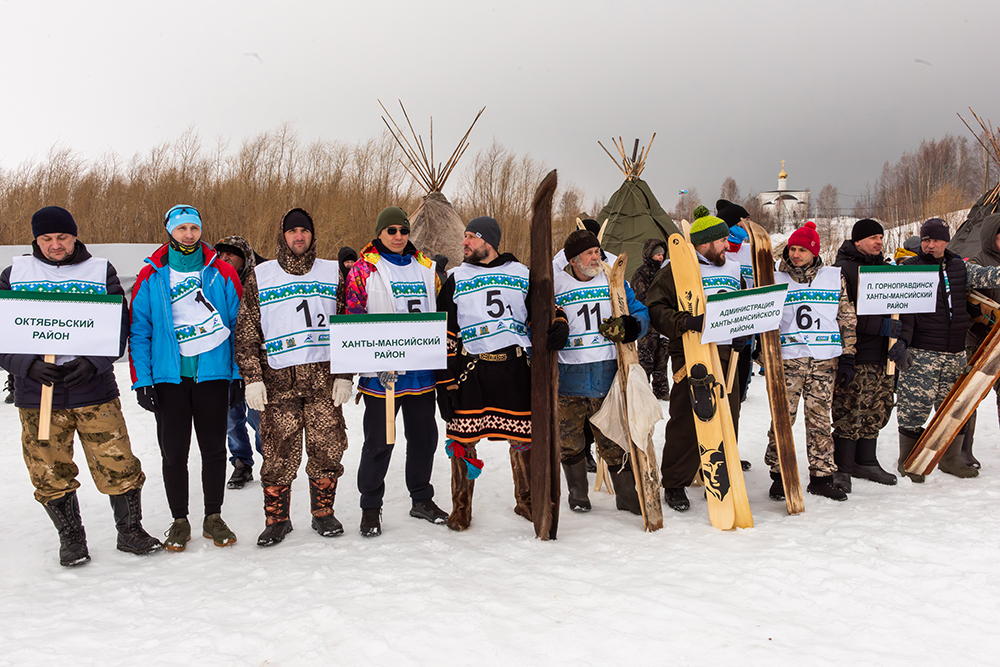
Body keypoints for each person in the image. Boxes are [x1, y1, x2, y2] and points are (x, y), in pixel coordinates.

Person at [1, 206, 161, 566]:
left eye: (62, 237)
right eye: (47, 238)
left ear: (74, 236)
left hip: (94, 391)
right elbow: (2, 334)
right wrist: (25, 365)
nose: (55, 245)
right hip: (37, 396)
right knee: (48, 470)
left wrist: (94, 363)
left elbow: (119, 325)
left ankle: (130, 531)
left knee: (118, 464)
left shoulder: (99, 271)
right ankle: (71, 538)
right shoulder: (15, 274)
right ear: (36, 239)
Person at [235, 208, 354, 546]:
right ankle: (277, 519)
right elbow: (246, 330)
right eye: (292, 231)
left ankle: (323, 513)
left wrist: (344, 374)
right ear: (282, 235)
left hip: (323, 384)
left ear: (312, 235)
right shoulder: (262, 275)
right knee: (277, 454)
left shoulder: (332, 273)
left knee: (328, 450)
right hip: (277, 386)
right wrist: (252, 378)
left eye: (304, 230)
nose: (299, 236)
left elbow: (349, 323)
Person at [436, 216, 560, 531]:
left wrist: (559, 325)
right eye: (464, 237)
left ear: (489, 242)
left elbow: (548, 310)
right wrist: (446, 383)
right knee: (462, 441)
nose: (464, 243)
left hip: (514, 368)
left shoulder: (522, 274)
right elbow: (444, 333)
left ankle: (527, 500)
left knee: (523, 440)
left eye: (470, 237)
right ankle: (461, 507)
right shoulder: (455, 278)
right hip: (471, 371)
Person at [130, 204, 242, 551]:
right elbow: (140, 330)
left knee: (213, 450)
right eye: (181, 229)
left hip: (212, 375)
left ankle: (213, 516)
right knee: (174, 453)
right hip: (169, 378)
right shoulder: (151, 274)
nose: (188, 235)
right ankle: (179, 520)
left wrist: (237, 374)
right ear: (170, 231)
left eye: (193, 228)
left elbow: (239, 326)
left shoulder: (221, 271)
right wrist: (142, 380)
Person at [345, 206, 449, 537]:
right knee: (379, 441)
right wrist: (368, 361)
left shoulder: (426, 268)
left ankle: (421, 498)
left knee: (424, 438)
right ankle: (370, 506)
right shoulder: (364, 270)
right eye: (391, 231)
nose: (398, 237)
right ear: (379, 233)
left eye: (403, 231)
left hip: (420, 371)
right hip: (383, 373)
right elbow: (354, 316)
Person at [645, 207, 747, 512]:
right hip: (691, 350)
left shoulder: (732, 268)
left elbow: (741, 304)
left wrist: (743, 332)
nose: (727, 245)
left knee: (729, 412)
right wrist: (685, 322)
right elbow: (655, 306)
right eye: (722, 240)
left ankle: (718, 474)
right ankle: (675, 482)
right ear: (705, 243)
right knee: (689, 417)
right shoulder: (679, 268)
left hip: (728, 352)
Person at [549, 229, 648, 514]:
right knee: (569, 439)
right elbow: (537, 319)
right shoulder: (558, 285)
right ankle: (578, 492)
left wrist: (631, 325)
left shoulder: (613, 280)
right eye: (589, 253)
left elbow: (640, 311)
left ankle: (627, 496)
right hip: (569, 376)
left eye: (597, 252)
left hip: (607, 375)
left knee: (614, 437)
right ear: (573, 260)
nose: (596, 258)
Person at [894, 218, 1000, 481]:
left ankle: (950, 459)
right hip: (922, 351)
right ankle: (908, 460)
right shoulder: (910, 268)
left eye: (936, 240)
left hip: (953, 352)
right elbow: (895, 308)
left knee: (953, 407)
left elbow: (988, 274)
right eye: (926, 240)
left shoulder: (958, 266)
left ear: (946, 241)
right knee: (913, 408)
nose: (930, 245)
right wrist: (900, 343)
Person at [764, 221, 856, 502]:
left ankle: (822, 476)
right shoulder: (777, 279)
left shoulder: (832, 277)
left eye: (802, 249)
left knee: (819, 420)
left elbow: (846, 316)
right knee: (783, 418)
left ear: (814, 252)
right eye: (792, 248)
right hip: (789, 360)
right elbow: (765, 319)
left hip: (824, 361)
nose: (795, 254)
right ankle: (780, 475)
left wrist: (849, 354)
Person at [830, 219, 898, 492]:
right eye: (872, 237)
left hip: (883, 354)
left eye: (881, 237)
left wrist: (900, 339)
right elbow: (841, 314)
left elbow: (902, 307)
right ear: (857, 241)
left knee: (876, 408)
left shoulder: (885, 269)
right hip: (855, 353)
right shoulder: (842, 270)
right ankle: (842, 467)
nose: (879, 242)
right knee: (850, 409)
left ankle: (866, 460)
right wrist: (879, 326)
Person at [213, 235, 265, 490]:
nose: (225, 259)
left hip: (256, 361)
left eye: (230, 254)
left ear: (244, 257)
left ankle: (270, 460)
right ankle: (241, 462)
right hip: (225, 359)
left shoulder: (261, 282)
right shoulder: (214, 282)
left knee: (258, 415)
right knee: (231, 417)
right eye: (220, 255)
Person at [961, 212, 1000, 470]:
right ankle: (964, 450)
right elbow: (966, 297)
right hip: (979, 340)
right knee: (970, 396)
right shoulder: (977, 261)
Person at [630, 238, 669, 399]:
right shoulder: (640, 274)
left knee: (663, 359)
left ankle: (662, 390)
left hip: (664, 324)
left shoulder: (666, 272)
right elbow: (641, 298)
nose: (660, 257)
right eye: (657, 254)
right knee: (645, 359)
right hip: (648, 325)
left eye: (662, 254)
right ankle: (642, 392)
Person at [336, 246, 357, 315]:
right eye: (347, 262)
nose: (350, 265)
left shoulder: (358, 278)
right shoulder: (336, 278)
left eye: (352, 262)